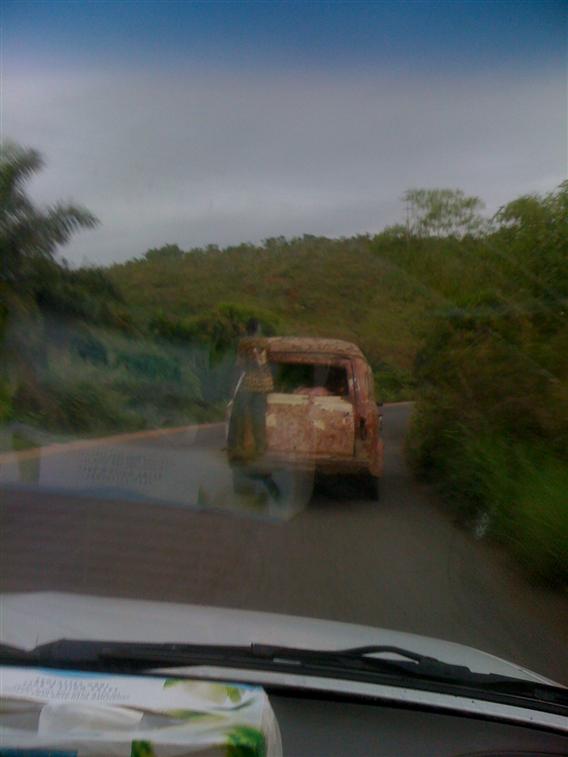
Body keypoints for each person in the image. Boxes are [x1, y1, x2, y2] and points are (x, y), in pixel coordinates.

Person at [228, 318, 274, 461]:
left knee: (238, 413)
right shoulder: (265, 343)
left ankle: (237, 446)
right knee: (258, 415)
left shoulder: (244, 343)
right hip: (265, 383)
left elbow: (240, 363)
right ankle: (261, 447)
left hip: (249, 382)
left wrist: (233, 383)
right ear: (258, 329)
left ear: (247, 329)